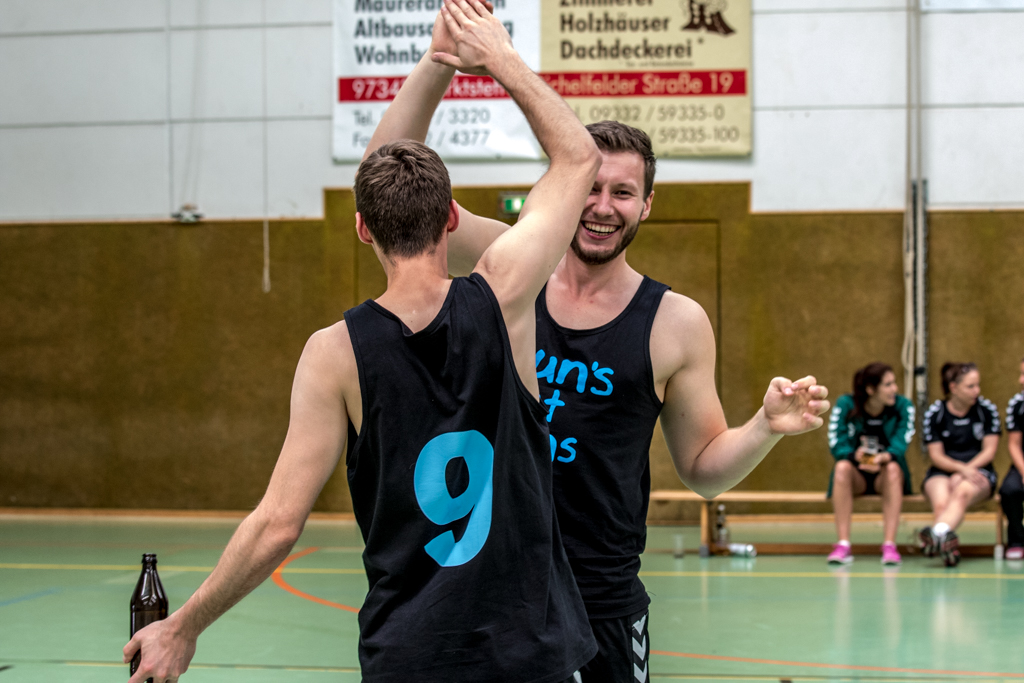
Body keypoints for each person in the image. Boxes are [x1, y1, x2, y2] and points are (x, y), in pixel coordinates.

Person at [123, 3, 602, 681]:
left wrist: (184, 626)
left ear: (362, 229)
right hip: (528, 652)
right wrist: (497, 57)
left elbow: (278, 523)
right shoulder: (504, 294)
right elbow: (578, 155)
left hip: (411, 655)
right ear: (450, 219)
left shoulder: (334, 353)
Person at [366, 9, 831, 680]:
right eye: (590, 186)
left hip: (602, 602)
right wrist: (438, 61)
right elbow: (387, 179)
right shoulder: (510, 266)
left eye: (623, 192)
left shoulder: (674, 322)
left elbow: (703, 468)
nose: (602, 206)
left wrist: (763, 427)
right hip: (498, 589)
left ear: (647, 205)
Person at [825, 363, 915, 565]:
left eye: (894, 383)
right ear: (871, 389)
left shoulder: (903, 406)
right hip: (857, 475)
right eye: (888, 384)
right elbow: (836, 442)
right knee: (841, 468)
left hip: (885, 475)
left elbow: (901, 443)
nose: (894, 389)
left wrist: (882, 458)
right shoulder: (846, 404)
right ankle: (843, 545)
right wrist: (855, 456)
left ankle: (889, 546)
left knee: (893, 469)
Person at [920, 362, 1001, 567]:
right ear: (953, 388)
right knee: (941, 503)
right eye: (970, 386)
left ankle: (935, 535)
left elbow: (989, 451)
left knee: (961, 493)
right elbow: (936, 455)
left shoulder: (986, 410)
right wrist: (960, 469)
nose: (977, 391)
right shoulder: (935, 413)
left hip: (979, 469)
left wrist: (967, 470)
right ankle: (947, 546)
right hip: (942, 471)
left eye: (977, 385)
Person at [999, 357, 1024, 560]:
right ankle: (1017, 540)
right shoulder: (1018, 404)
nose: (1021, 380)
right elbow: (1014, 444)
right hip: (1022, 463)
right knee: (1010, 489)